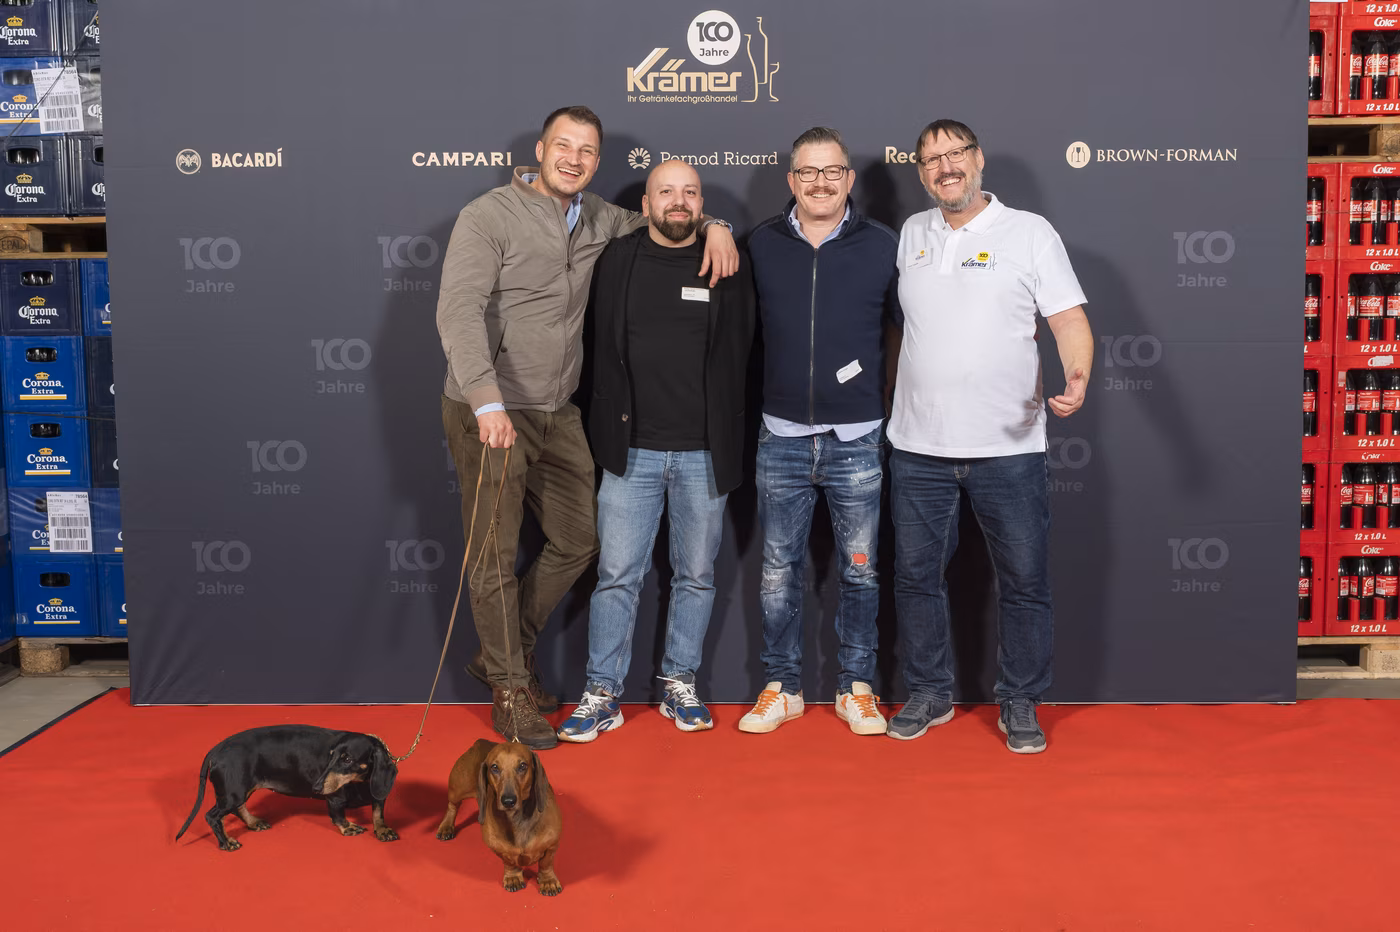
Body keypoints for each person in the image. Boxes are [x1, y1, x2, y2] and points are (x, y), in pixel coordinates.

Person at [437, 106, 737, 750]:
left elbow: (670, 217)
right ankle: (510, 689)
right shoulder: (487, 216)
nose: (574, 159)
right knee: (493, 553)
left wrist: (717, 225)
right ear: (540, 149)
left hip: (559, 410)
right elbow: (458, 312)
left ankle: (502, 652)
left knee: (582, 541)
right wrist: (486, 402)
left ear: (598, 162)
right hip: (491, 410)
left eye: (588, 151)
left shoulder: (601, 217)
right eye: (564, 146)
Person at [886, 119, 1093, 754]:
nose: (945, 167)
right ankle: (929, 691)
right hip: (917, 447)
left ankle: (1020, 699)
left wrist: (1078, 375)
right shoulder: (912, 233)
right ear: (921, 172)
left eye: (955, 154)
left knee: (1024, 582)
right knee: (916, 578)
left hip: (1009, 448)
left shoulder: (1029, 232)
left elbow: (1068, 320)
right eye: (931, 159)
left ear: (978, 159)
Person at [556, 160, 756, 743]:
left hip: (705, 453)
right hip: (631, 452)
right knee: (617, 576)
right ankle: (602, 693)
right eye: (666, 191)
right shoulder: (615, 259)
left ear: (702, 205)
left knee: (696, 576)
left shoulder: (729, 263)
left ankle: (679, 682)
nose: (679, 201)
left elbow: (748, 348)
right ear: (645, 205)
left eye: (690, 192)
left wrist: (719, 229)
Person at [737, 127, 902, 737]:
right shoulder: (761, 244)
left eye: (832, 171)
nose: (821, 182)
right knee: (778, 569)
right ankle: (782, 687)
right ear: (791, 180)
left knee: (860, 570)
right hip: (780, 436)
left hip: (857, 439)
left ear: (849, 178)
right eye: (808, 172)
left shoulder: (882, 244)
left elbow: (909, 331)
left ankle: (856, 688)